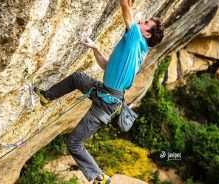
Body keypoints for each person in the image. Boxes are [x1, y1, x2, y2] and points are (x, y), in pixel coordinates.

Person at [34, 0, 164, 183]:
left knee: (75, 143)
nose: (141, 21)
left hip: (107, 103)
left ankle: (99, 177)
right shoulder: (137, 50)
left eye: (146, 23)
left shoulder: (137, 38)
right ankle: (46, 97)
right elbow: (107, 67)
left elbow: (125, 7)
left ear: (147, 33)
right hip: (105, 92)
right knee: (77, 78)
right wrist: (95, 48)